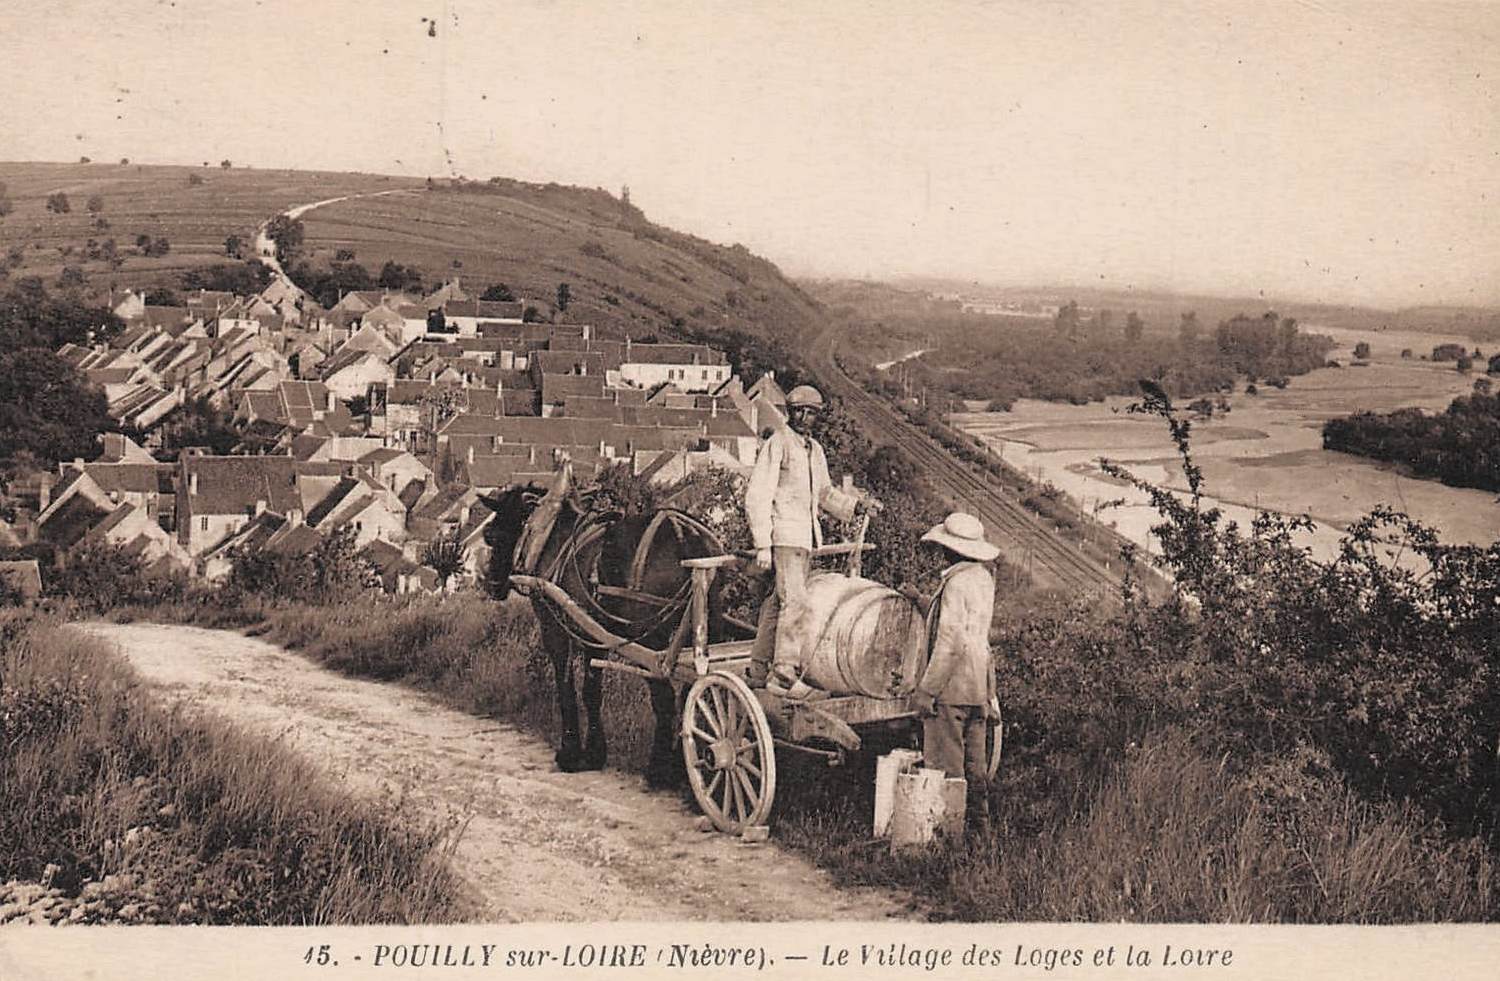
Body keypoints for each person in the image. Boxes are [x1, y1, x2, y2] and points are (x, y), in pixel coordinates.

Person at [744, 384, 861, 699]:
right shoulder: (778, 444)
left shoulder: (815, 451)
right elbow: (757, 494)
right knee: (796, 601)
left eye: (811, 413)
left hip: (806, 538)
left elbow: (824, 493)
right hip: (784, 536)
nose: (805, 418)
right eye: (799, 412)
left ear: (817, 417)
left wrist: (852, 507)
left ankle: (757, 668)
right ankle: (784, 673)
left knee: (779, 602)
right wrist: (763, 545)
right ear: (790, 413)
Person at [908, 512, 1001, 830]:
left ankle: (950, 841)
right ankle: (980, 833)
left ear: (952, 550)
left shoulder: (955, 584)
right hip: (977, 687)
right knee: (975, 768)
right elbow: (967, 628)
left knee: (947, 770)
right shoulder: (983, 579)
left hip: (950, 691)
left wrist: (926, 690)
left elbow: (950, 642)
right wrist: (921, 601)